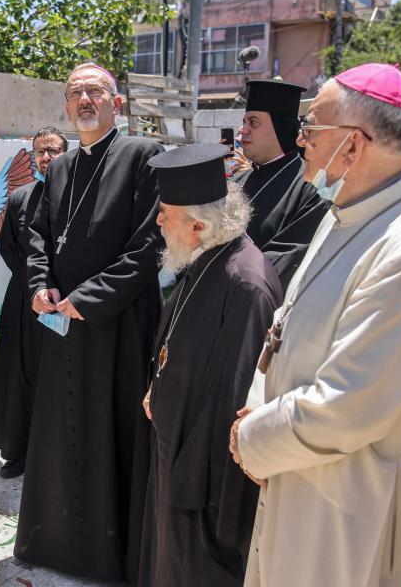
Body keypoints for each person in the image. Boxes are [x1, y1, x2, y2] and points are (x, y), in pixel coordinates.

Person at [231, 63, 401, 587]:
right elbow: (284, 326)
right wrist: (257, 403)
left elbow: (345, 407)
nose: (302, 141)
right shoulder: (350, 211)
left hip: (358, 510)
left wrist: (250, 437)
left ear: (355, 145)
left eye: (312, 129)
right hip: (302, 472)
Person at [15, 62, 163, 582]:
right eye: (75, 92)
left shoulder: (144, 156)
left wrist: (90, 298)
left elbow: (151, 245)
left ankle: (109, 555)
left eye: (94, 91)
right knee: (61, 431)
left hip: (116, 328)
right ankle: (53, 544)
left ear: (116, 102)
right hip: (62, 326)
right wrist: (41, 285)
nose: (84, 100)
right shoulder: (58, 168)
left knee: (109, 434)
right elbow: (37, 235)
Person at [137, 144, 281, 586]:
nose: (157, 221)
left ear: (198, 225)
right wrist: (155, 389)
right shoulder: (209, 256)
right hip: (175, 445)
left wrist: (191, 477)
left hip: (201, 476)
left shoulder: (246, 284)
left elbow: (233, 397)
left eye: (165, 213)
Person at [0, 126, 68, 479]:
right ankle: (17, 451)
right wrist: (36, 285)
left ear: (67, 153)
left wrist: (56, 288)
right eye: (40, 151)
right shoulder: (20, 198)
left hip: (67, 300)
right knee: (22, 374)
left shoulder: (78, 197)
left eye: (53, 150)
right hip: (24, 299)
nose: (46, 157)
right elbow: (7, 245)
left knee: (60, 375)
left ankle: (58, 452)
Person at [233, 80, 329, 289]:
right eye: (244, 121)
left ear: (279, 127)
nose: (242, 130)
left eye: (253, 122)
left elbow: (285, 260)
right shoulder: (236, 182)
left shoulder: (311, 187)